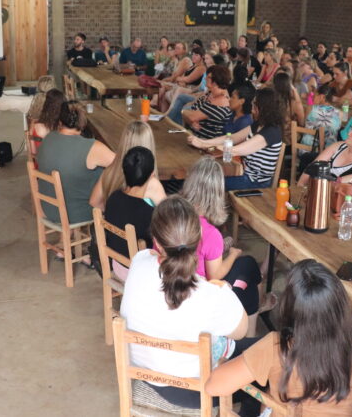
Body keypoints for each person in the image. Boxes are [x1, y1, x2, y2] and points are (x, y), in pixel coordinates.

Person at [119, 196, 251, 409]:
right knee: (269, 357)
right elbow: (241, 331)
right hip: (194, 391)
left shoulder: (139, 261)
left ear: (157, 240)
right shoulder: (210, 294)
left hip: (143, 373)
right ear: (199, 239)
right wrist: (226, 290)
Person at [205, 259, 352, 417]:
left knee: (257, 392)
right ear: (341, 304)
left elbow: (214, 386)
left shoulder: (276, 346)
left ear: (289, 307)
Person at [178, 158, 266, 321]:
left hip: (176, 285)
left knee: (248, 270)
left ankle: (257, 306)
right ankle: (255, 314)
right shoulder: (211, 234)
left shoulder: (174, 214)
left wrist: (219, 249)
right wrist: (233, 254)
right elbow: (215, 275)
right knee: (248, 267)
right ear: (217, 192)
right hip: (199, 296)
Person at [37, 100, 115, 226]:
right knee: (113, 177)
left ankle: (68, 238)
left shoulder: (47, 139)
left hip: (47, 208)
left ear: (60, 121)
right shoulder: (92, 147)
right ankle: (110, 238)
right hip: (77, 213)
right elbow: (123, 165)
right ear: (83, 122)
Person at [189, 88, 284, 190]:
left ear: (264, 109)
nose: (252, 110)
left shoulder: (271, 132)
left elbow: (236, 149)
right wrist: (202, 141)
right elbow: (232, 138)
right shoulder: (259, 124)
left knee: (204, 182)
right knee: (202, 176)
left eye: (255, 106)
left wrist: (204, 145)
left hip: (255, 182)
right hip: (244, 173)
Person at [102, 146, 158, 281]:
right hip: (138, 274)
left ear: (124, 171)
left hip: (117, 266)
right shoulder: (150, 213)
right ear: (152, 176)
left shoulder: (112, 198)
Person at [90, 120, 166, 211]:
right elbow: (169, 217)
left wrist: (113, 217)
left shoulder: (109, 172)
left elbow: (94, 202)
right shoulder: (152, 185)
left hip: (114, 223)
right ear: (149, 145)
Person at [298, 119, 352, 184]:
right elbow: (312, 167)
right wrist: (300, 186)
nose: (349, 133)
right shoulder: (338, 146)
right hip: (316, 195)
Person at [182, 65, 233, 140]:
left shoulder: (221, 101)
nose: (205, 78)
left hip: (205, 143)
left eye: (208, 77)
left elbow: (191, 116)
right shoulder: (209, 94)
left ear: (215, 82)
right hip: (194, 137)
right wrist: (189, 118)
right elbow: (190, 113)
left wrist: (184, 112)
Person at [272, 72, 304, 145]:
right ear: (290, 86)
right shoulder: (295, 103)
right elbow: (302, 123)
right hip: (290, 142)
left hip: (272, 140)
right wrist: (295, 91)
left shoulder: (271, 100)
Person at [30, 88, 64, 154]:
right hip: (51, 163)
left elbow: (33, 152)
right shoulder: (59, 128)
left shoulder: (35, 124)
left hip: (39, 161)